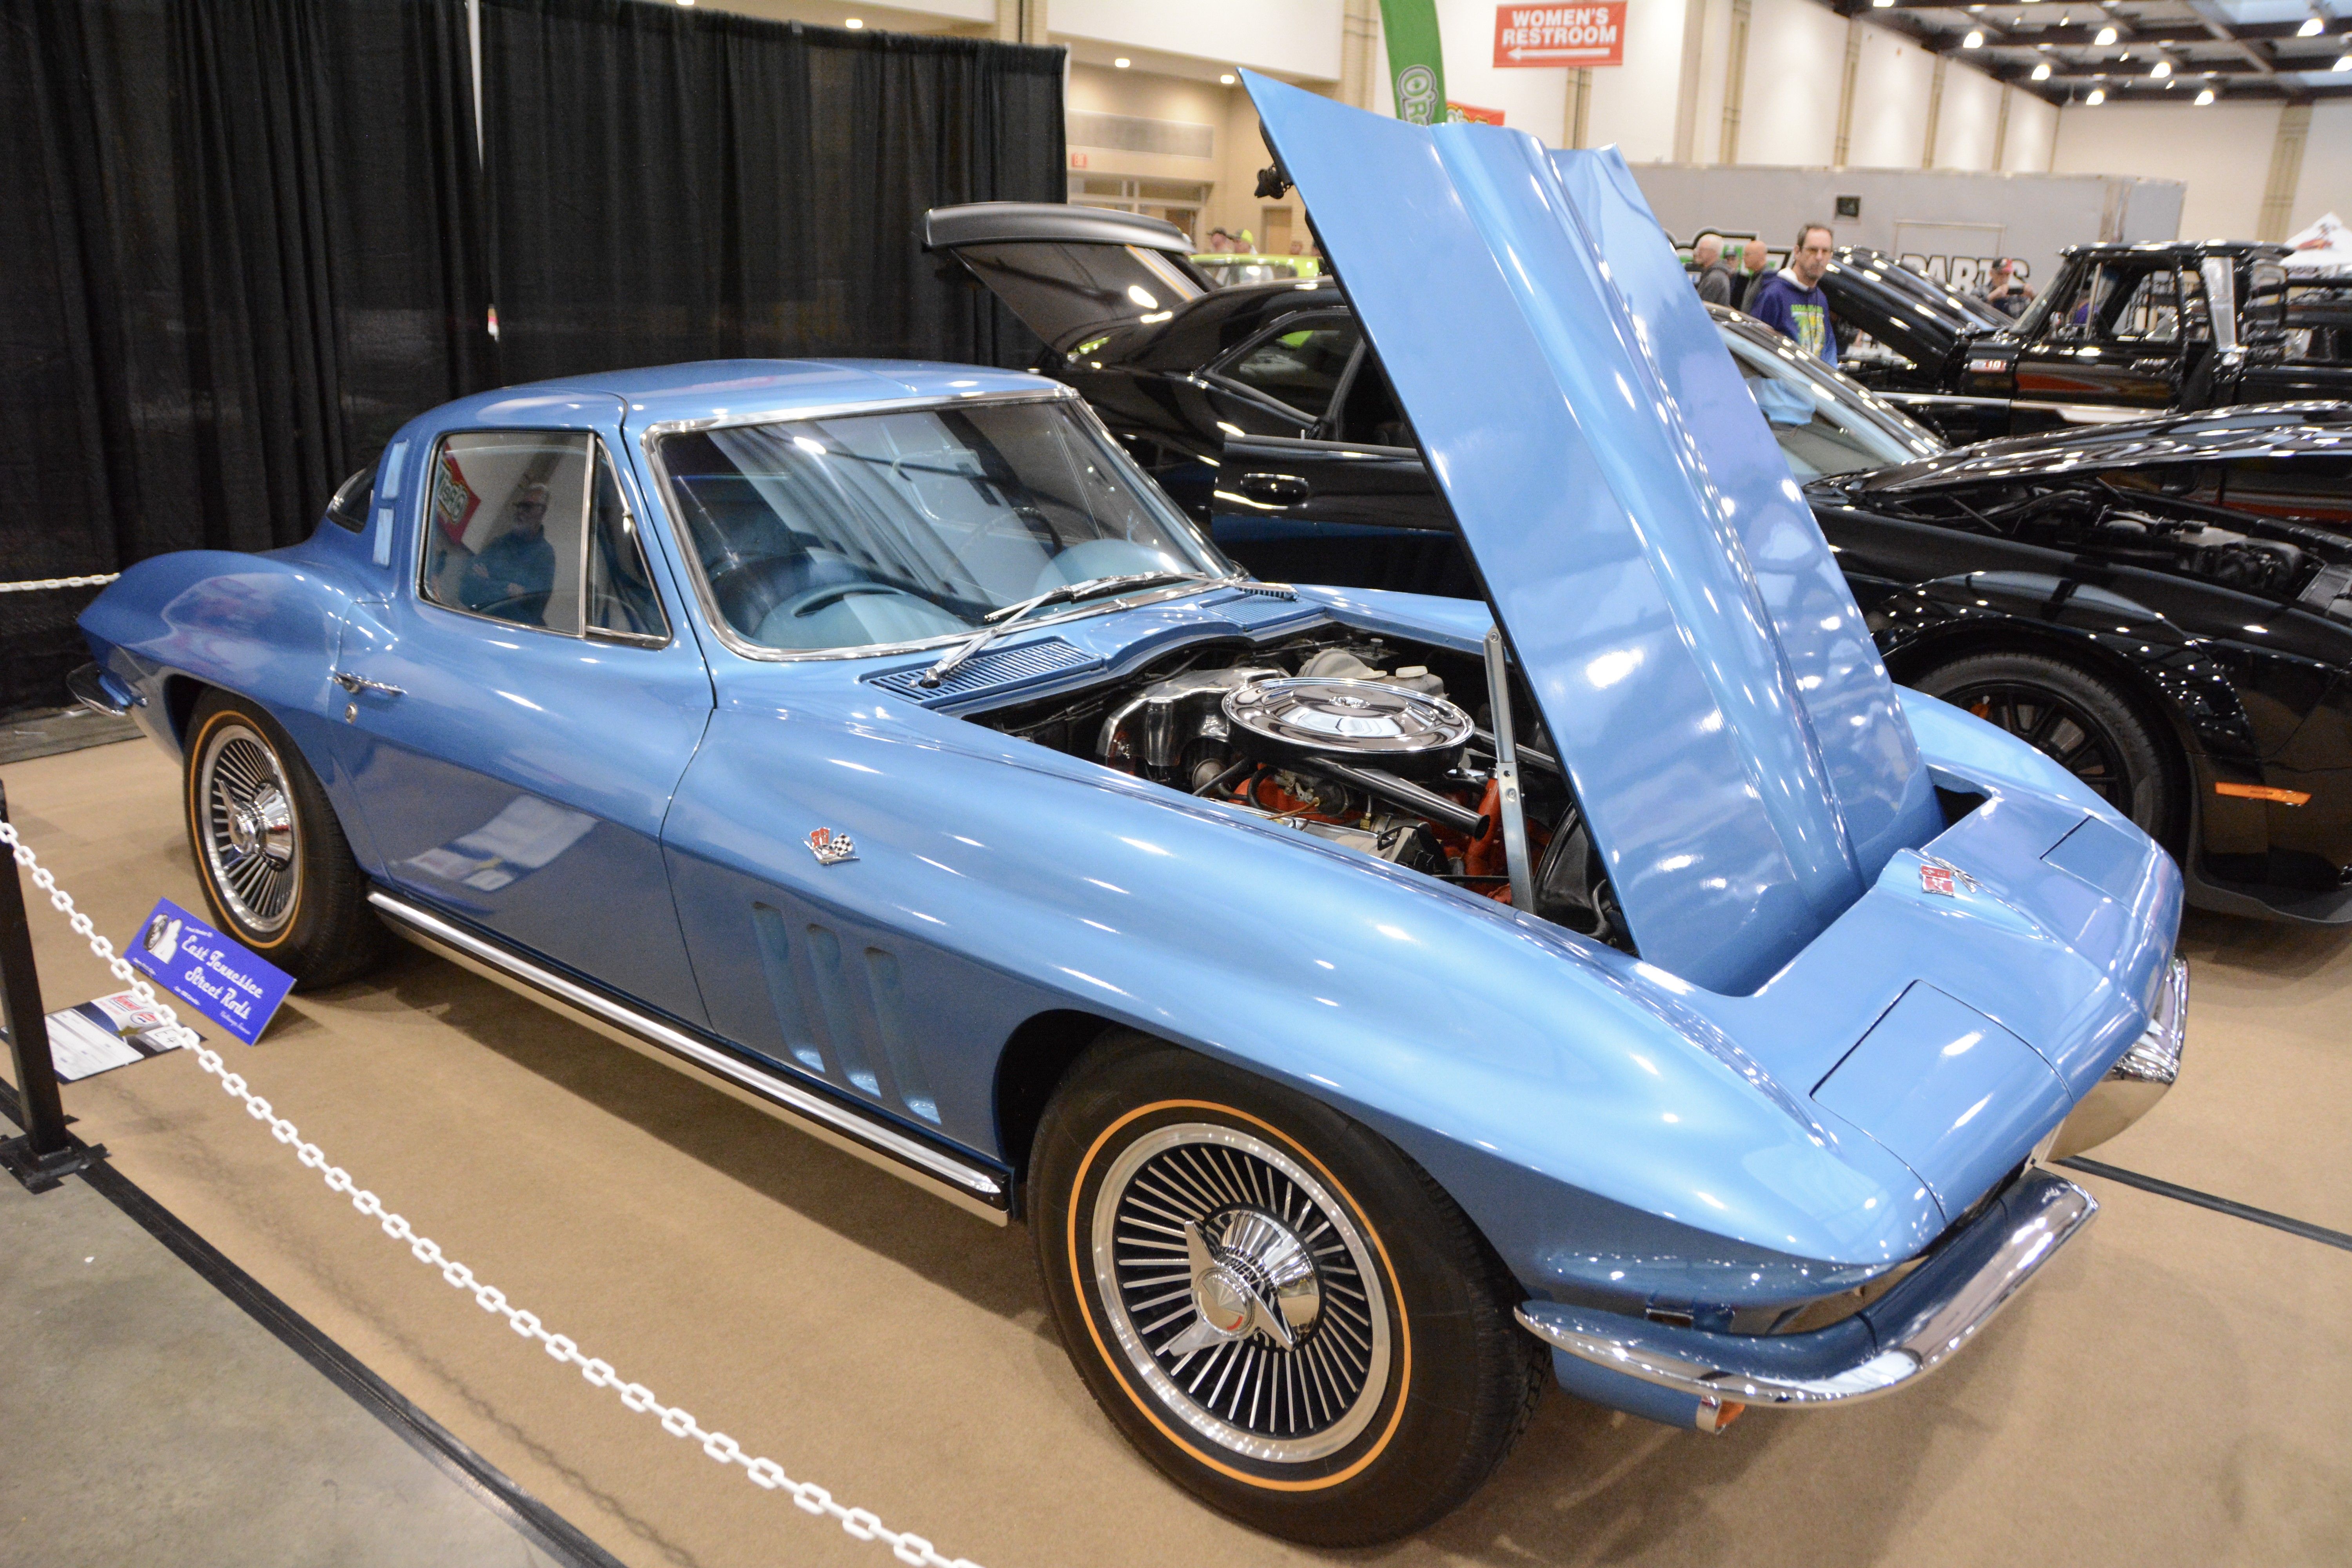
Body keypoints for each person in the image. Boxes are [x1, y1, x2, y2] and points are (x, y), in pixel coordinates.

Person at [460, 482, 559, 624]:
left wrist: (488, 582)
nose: (520, 512)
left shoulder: (545, 556)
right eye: (519, 506)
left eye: (528, 507)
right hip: (477, 623)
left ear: (542, 512)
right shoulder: (498, 544)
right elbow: (466, 589)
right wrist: (508, 589)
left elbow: (533, 609)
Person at [1747, 223, 1838, 364]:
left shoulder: (1820, 298)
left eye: (1825, 251)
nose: (1819, 257)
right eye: (1813, 250)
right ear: (1797, 252)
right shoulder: (1774, 295)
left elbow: (1829, 352)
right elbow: (1754, 351)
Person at [1974, 256, 2036, 320]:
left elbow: (2035, 317)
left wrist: (2032, 297)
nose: (2003, 279)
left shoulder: (2016, 296)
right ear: (1991, 273)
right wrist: (1990, 297)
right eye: (2000, 274)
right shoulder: (1980, 291)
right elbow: (1971, 310)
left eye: (2007, 275)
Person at [1691, 233, 1738, 307]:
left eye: (1702, 249)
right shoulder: (1715, 275)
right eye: (1698, 249)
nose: (1698, 253)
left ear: (1714, 253)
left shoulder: (1715, 278)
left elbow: (1700, 309)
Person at [1738, 240, 1772, 310]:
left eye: (1747, 255)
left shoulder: (1768, 279)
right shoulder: (1756, 276)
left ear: (1760, 256)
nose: (1743, 258)